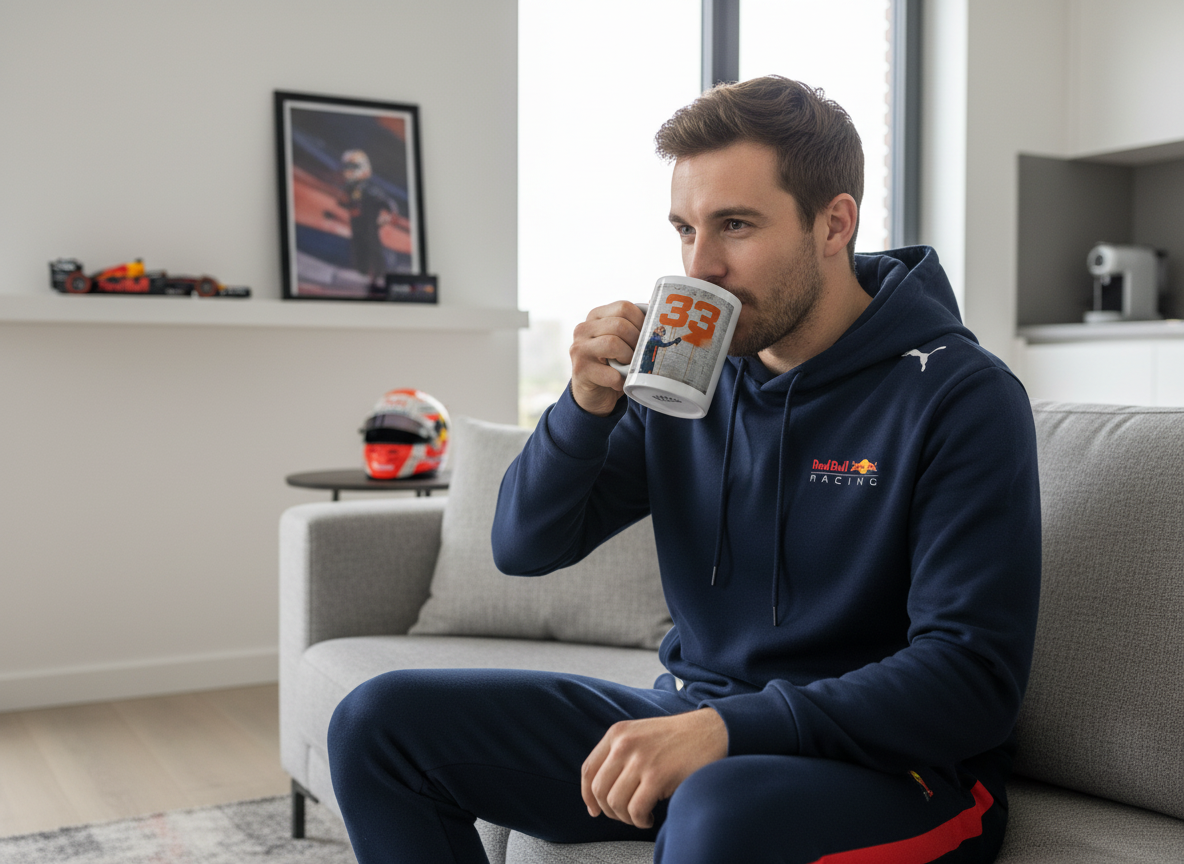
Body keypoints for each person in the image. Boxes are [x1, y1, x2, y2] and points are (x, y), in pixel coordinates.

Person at [327, 76, 1041, 864]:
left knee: (716, 809)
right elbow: (523, 548)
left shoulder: (961, 395)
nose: (701, 265)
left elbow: (970, 680)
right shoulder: (691, 376)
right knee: (380, 723)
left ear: (834, 223)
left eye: (734, 225)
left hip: (898, 768)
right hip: (694, 720)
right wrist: (583, 407)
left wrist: (730, 730)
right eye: (684, 229)